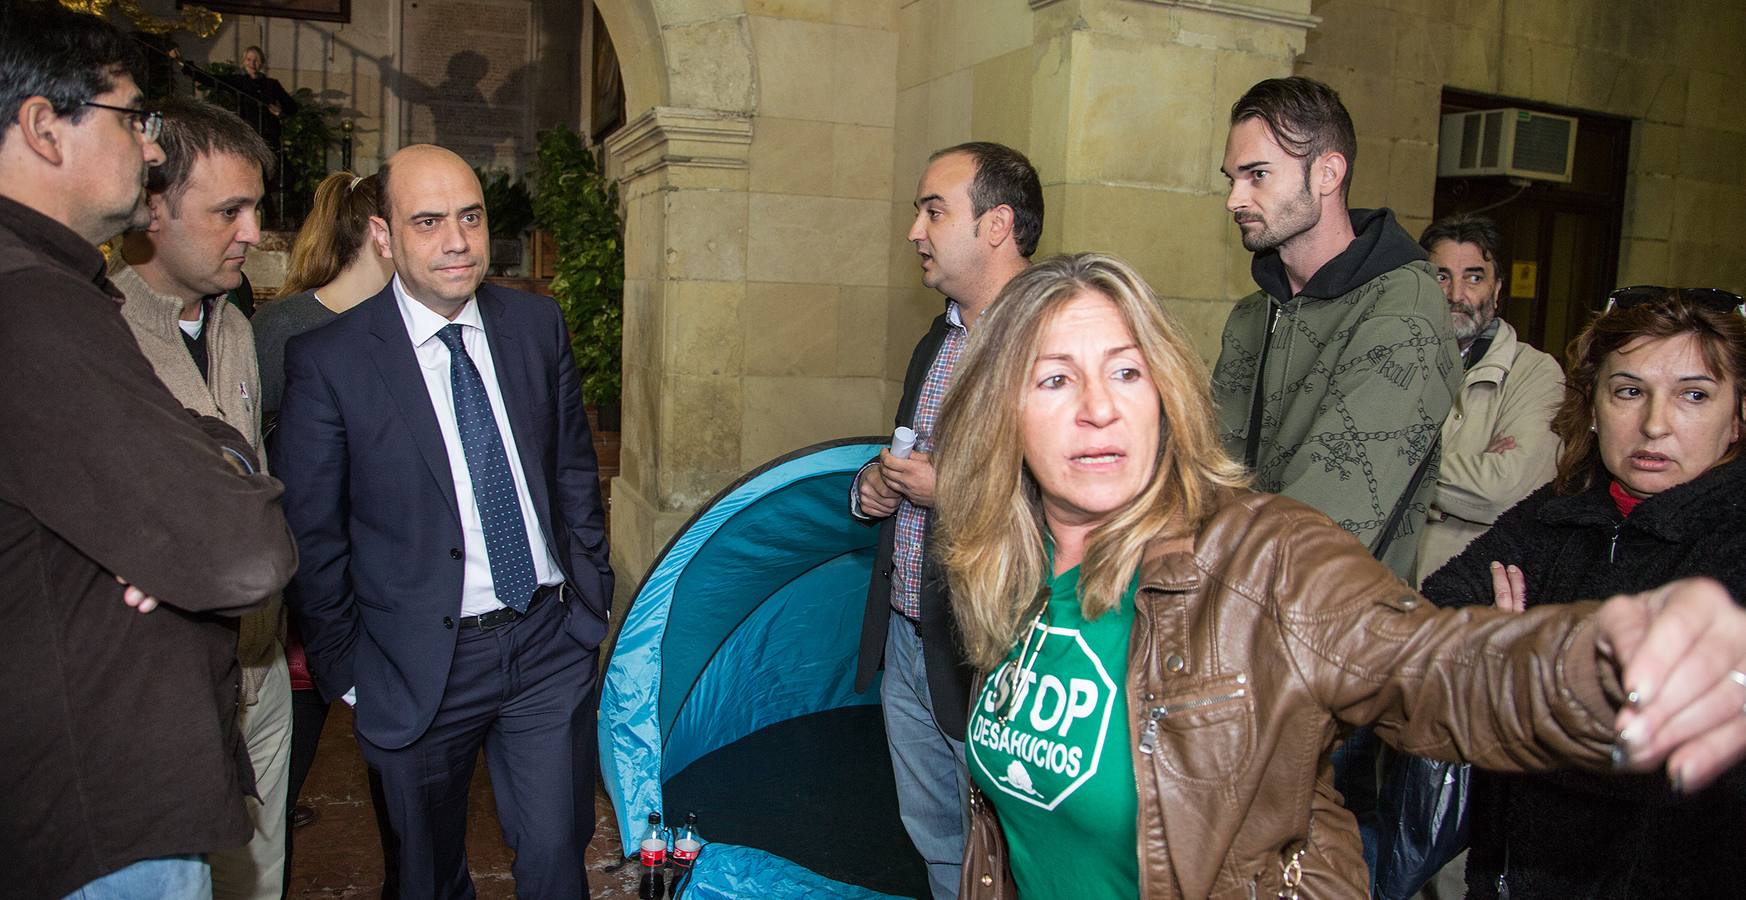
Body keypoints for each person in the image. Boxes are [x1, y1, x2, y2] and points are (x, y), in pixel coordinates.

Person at [934, 252, 1746, 899]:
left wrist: (1609, 659)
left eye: (1125, 371)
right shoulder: (1010, 570)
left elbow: (1433, 666)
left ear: (1166, 395)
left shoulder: (1263, 558)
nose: (1099, 408)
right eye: (1054, 379)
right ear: (1001, 411)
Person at [0, 4, 297, 897]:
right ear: (45, 127)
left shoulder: (55, 290)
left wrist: (202, 476)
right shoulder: (36, 305)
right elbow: (242, 550)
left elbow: (213, 496)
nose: (152, 146)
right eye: (135, 117)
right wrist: (205, 499)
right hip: (99, 804)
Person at [274, 143, 613, 899]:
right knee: (426, 877)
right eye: (427, 222)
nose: (456, 241)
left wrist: (591, 594)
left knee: (559, 857)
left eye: (470, 217)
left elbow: (571, 470)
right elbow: (314, 533)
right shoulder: (330, 361)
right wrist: (351, 674)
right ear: (383, 236)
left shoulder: (536, 323)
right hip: (414, 663)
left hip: (547, 641)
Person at [1421, 287, 1746, 899]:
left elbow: (1657, 745)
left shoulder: (1733, 539)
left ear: (1738, 417)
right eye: (1629, 391)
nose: (1654, 424)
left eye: (1694, 395)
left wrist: (1514, 664)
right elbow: (1430, 622)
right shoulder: (1558, 513)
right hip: (1508, 876)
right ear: (1592, 407)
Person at [851, 141, 1041, 900]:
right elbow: (909, 453)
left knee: (1011, 844)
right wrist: (875, 484)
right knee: (934, 832)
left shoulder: (1052, 339)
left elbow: (1085, 503)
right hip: (910, 632)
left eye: (934, 210)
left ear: (996, 224)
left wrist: (950, 491)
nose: (915, 231)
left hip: (997, 648)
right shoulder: (941, 334)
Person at [111, 95, 288, 900]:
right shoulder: (98, 331)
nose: (251, 232)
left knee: (261, 877)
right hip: (161, 699)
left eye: (253, 208)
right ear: (153, 207)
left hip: (259, 671)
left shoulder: (235, 327)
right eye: (229, 211)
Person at [1212, 76, 1459, 580]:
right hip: (1227, 605)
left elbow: (1325, 523)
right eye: (1231, 178)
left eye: (1257, 175)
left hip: (1339, 627)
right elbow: (1212, 469)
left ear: (1327, 173)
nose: (1234, 199)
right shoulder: (1252, 315)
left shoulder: (1403, 311)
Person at [251, 168, 400, 897]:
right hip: (302, 607)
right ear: (381, 234)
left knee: (405, 791)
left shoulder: (411, 328)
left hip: (390, 601)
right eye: (417, 224)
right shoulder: (281, 331)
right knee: (274, 785)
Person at [1412, 214, 1564, 585]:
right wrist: (1464, 474)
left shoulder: (1535, 373)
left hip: (1466, 595)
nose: (1455, 295)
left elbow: (1506, 491)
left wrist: (1397, 464)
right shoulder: (1391, 365)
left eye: (1474, 278)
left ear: (1497, 291)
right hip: (1378, 589)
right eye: (1441, 276)